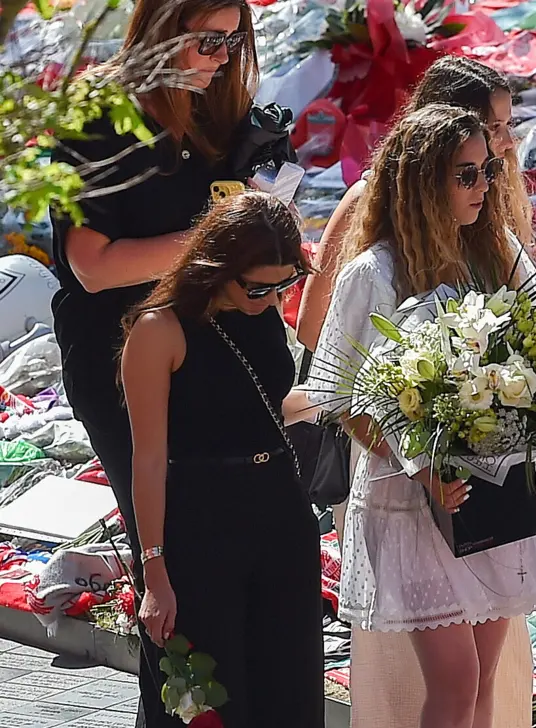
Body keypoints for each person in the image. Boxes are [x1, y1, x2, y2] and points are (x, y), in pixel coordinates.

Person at [48, 0, 292, 722]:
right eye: (208, 41)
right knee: (174, 563)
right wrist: (218, 238)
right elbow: (91, 265)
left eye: (234, 40)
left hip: (228, 351)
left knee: (242, 560)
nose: (222, 56)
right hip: (127, 358)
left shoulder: (221, 109)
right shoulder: (98, 119)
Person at [306, 104, 536, 728]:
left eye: (488, 172)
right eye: (467, 175)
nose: (484, 187)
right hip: (409, 501)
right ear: (425, 181)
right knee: (455, 685)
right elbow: (337, 397)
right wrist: (420, 464)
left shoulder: (494, 253)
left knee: (478, 689)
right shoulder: (374, 271)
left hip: (494, 493)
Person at [122, 191, 323, 727]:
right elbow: (146, 457)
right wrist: (154, 570)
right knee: (213, 694)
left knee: (291, 686)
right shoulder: (158, 330)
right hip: (201, 521)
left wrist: (346, 393)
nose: (272, 296)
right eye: (258, 284)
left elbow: (266, 404)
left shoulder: (262, 311)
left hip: (279, 508)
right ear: (218, 265)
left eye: (285, 283)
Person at [294, 55, 535, 353]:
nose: (508, 140)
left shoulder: (484, 198)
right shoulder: (367, 204)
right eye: (494, 126)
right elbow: (313, 330)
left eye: (509, 124)